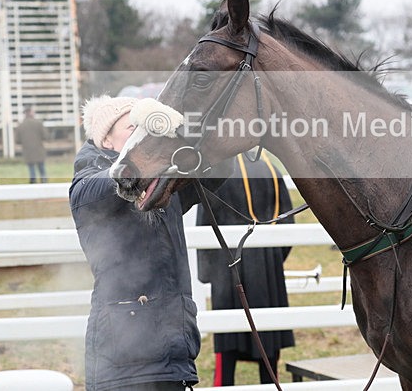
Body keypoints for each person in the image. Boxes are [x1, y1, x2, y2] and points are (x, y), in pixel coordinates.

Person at [70, 95, 228, 391]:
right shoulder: (90, 180)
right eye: (133, 129)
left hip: (172, 350)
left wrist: (205, 133)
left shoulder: (162, 180)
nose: (143, 137)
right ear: (106, 140)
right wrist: (140, 162)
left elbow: (219, 169)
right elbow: (96, 190)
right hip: (123, 358)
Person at [196, 153, 295, 386]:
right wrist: (271, 259)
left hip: (227, 264)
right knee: (267, 343)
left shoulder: (218, 170)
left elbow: (206, 223)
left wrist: (207, 272)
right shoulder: (270, 167)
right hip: (267, 265)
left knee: (228, 344)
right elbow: (288, 225)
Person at [16, 105, 48, 183]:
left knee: (31, 169)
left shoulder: (20, 125)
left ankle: (33, 183)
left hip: (28, 151)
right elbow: (45, 136)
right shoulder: (38, 123)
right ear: (30, 112)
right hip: (39, 150)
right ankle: (44, 182)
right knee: (41, 168)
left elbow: (17, 140)